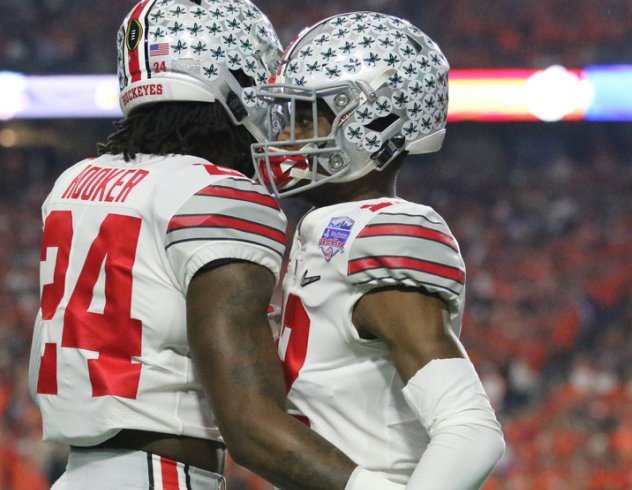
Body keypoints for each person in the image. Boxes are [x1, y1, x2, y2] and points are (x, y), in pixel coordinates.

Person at [29, 1, 395, 489]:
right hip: (162, 476)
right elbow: (250, 425)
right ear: (232, 83)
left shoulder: (74, 182)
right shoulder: (217, 194)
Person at [252, 11, 506, 489]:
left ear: (377, 122)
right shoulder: (324, 230)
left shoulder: (384, 230)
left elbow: (471, 431)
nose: (284, 135)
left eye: (307, 116)